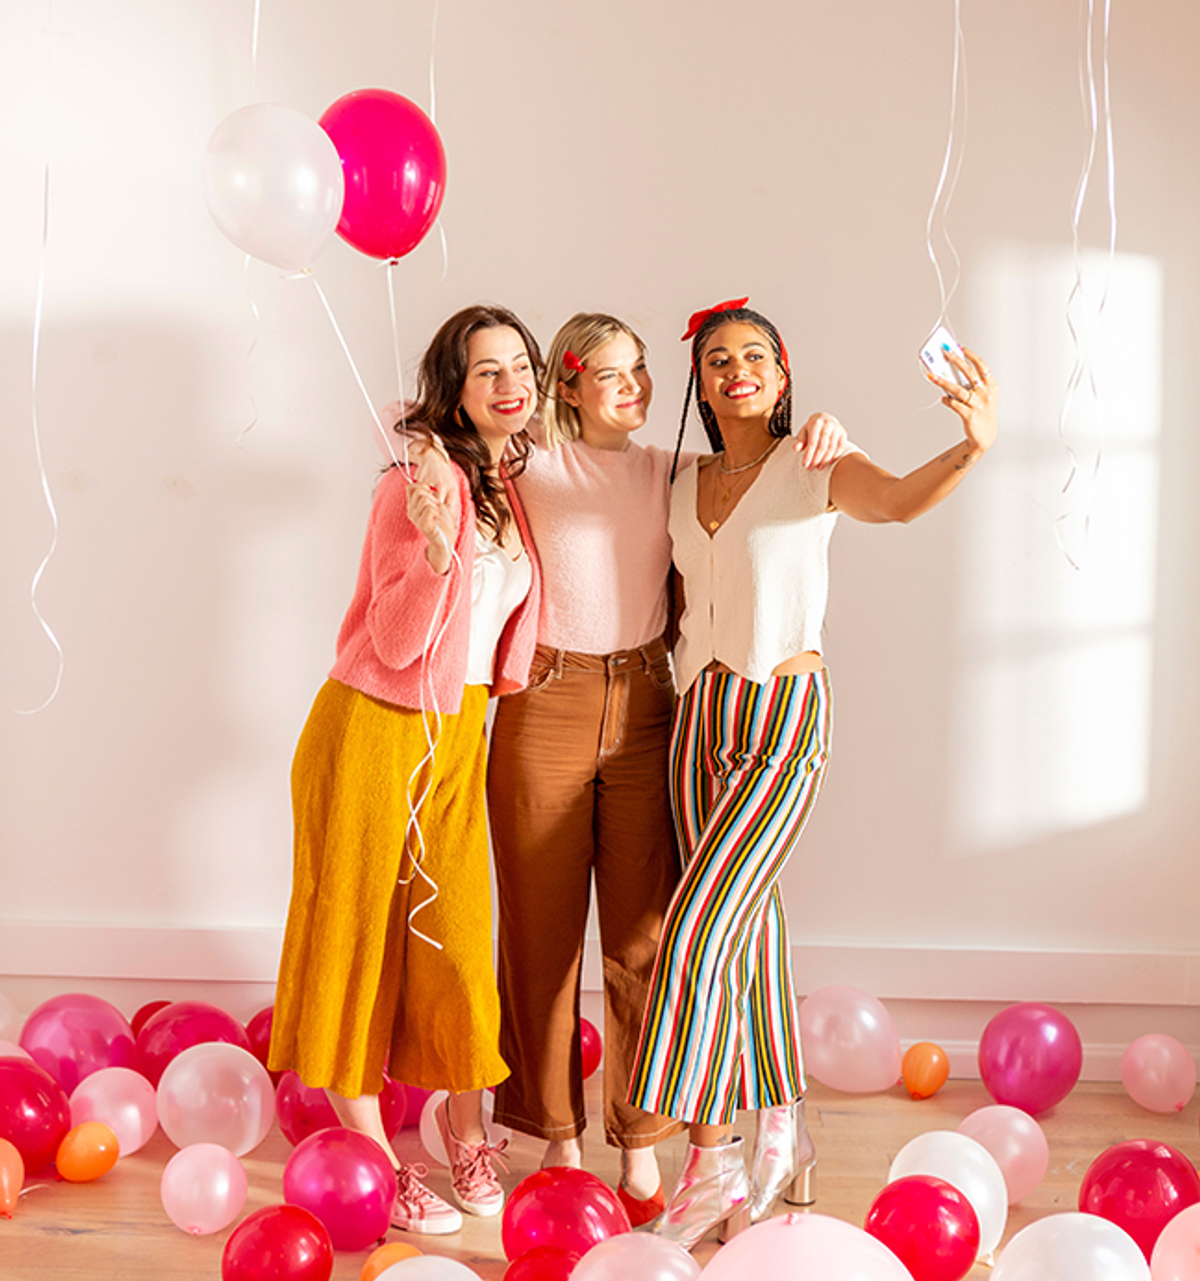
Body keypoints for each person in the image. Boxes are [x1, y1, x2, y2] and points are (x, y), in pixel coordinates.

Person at [626, 298, 998, 1248]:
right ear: (701, 383)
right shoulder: (680, 480)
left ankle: (710, 1159)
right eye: (717, 357)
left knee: (699, 927)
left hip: (786, 716)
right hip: (698, 717)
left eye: (754, 354)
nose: (735, 367)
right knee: (749, 932)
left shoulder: (814, 460)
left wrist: (972, 446)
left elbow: (902, 500)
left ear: (783, 377)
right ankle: (782, 1126)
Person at [485, 313, 845, 1225]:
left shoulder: (672, 472)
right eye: (609, 374)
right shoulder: (524, 462)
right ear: (566, 385)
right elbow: (416, 426)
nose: (634, 387)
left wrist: (821, 433)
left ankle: (643, 1143)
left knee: (647, 932)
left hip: (651, 700)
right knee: (542, 930)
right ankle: (556, 1134)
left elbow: (757, 489)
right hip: (547, 698)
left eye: (641, 370)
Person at [269, 304, 545, 1234]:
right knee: (358, 934)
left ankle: (465, 1127)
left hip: (459, 731)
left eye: (521, 368)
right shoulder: (416, 480)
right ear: (453, 389)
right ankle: (380, 1160)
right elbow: (391, 639)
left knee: (460, 937)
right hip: (375, 726)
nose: (509, 385)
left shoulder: (508, 480)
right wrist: (434, 555)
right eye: (486, 372)